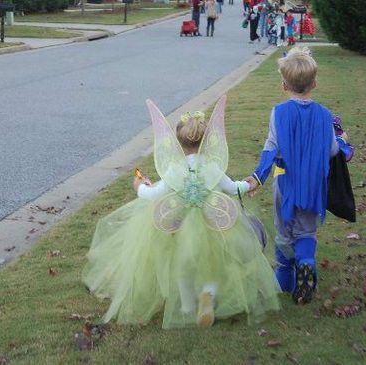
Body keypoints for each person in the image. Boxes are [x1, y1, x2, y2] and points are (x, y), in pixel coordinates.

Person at [83, 96, 280, 329]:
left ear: (178, 143)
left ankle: (187, 306)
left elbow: (152, 195)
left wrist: (140, 186)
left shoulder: (174, 170)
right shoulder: (212, 167)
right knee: (214, 265)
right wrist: (250, 184)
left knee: (183, 268)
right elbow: (232, 187)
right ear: (207, 142)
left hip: (178, 228)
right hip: (213, 227)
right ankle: (208, 294)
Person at [244, 48, 347, 305]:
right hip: (313, 186)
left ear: (283, 84)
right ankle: (306, 264)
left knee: (284, 230)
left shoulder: (278, 112)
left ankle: (285, 279)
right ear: (314, 83)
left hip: (285, 183)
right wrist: (344, 142)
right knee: (306, 230)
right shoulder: (324, 115)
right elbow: (333, 150)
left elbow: (271, 147)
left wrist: (258, 177)